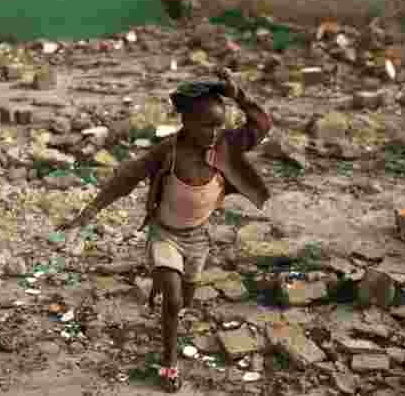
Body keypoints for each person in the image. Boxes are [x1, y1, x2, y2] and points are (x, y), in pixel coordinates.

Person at [59, 68, 272, 392]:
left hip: (198, 237)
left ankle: (172, 313)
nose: (215, 132)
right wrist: (88, 213)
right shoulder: (168, 152)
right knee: (173, 299)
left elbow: (262, 125)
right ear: (185, 121)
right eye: (207, 125)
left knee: (185, 297)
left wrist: (239, 95)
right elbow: (125, 178)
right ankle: (169, 363)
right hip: (165, 233)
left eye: (220, 124)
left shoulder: (227, 145)